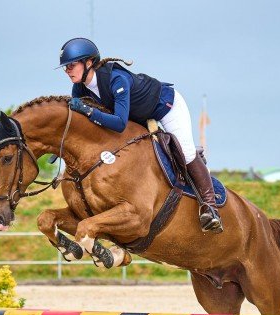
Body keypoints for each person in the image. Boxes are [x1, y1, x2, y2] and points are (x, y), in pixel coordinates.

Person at [58, 37, 223, 234]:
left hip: (165, 107)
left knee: (186, 153)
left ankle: (210, 207)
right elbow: (82, 126)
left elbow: (119, 123)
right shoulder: (80, 88)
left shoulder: (116, 79)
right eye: (65, 67)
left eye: (71, 65)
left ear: (89, 62)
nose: (67, 70)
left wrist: (88, 111)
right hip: (136, 117)